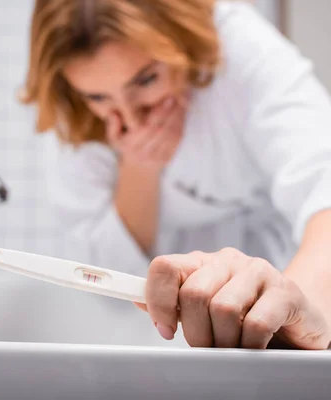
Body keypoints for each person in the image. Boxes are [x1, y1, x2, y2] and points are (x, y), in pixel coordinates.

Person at [20, 0, 331, 350]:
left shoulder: (240, 47)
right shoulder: (75, 112)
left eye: (147, 79)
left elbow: (323, 182)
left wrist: (297, 316)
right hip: (163, 325)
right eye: (98, 96)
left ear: (184, 42)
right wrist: (140, 168)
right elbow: (104, 280)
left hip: (299, 272)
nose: (130, 118)